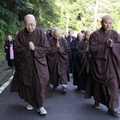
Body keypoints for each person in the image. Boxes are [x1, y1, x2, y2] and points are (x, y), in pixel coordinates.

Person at [10, 14, 52, 115]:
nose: (30, 27)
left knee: (39, 83)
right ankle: (30, 102)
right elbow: (17, 49)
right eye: (28, 25)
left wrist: (35, 48)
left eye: (32, 24)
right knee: (28, 83)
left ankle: (40, 106)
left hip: (39, 64)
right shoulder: (20, 34)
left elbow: (46, 48)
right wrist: (27, 49)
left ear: (35, 23)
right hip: (26, 64)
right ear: (24, 24)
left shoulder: (41, 33)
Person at [85, 15, 120, 116]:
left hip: (111, 65)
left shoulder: (114, 34)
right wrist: (105, 45)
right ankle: (97, 100)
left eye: (110, 23)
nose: (108, 25)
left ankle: (112, 108)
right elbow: (91, 49)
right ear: (101, 23)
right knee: (97, 85)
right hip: (98, 65)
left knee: (113, 85)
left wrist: (113, 45)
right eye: (106, 23)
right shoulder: (95, 34)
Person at [47, 28, 70, 94]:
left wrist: (60, 48)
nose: (57, 37)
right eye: (56, 36)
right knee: (54, 72)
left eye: (58, 36)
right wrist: (55, 48)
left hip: (62, 60)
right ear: (53, 34)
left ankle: (64, 86)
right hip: (53, 60)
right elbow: (48, 49)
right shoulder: (50, 40)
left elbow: (67, 49)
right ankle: (55, 84)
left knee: (63, 73)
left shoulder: (63, 40)